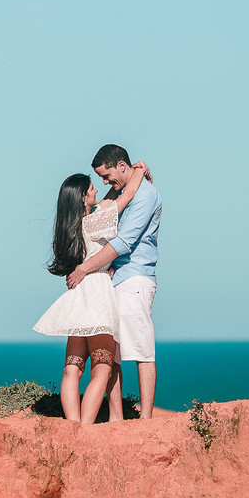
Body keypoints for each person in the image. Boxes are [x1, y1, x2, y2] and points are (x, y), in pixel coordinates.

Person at [34, 163, 149, 425]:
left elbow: (104, 203)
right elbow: (127, 195)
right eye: (92, 188)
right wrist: (139, 170)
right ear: (84, 197)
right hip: (96, 292)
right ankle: (85, 427)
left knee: (72, 367)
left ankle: (72, 423)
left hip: (78, 296)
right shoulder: (97, 221)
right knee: (103, 367)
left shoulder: (70, 227)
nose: (98, 189)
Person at [67, 144, 161, 420]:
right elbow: (116, 199)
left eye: (107, 176)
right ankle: (116, 418)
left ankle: (146, 419)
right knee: (113, 353)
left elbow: (124, 241)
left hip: (135, 276)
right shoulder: (122, 192)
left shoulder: (145, 195)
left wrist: (84, 269)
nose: (105, 183)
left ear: (122, 166)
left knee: (142, 348)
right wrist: (138, 171)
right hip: (112, 280)